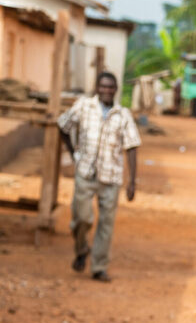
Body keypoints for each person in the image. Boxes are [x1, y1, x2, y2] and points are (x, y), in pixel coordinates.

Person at [57, 70, 140, 283]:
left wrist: (132, 181)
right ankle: (82, 248)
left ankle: (99, 267)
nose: (106, 90)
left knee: (106, 224)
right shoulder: (84, 106)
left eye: (111, 87)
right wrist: (73, 153)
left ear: (116, 89)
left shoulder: (122, 115)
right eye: (103, 86)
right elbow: (63, 125)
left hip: (111, 177)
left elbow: (131, 147)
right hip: (85, 172)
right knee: (81, 218)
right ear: (97, 87)